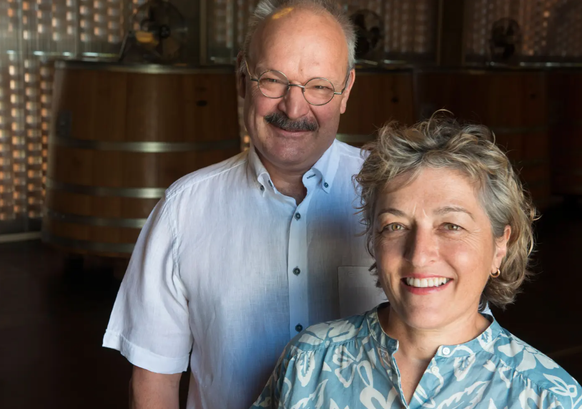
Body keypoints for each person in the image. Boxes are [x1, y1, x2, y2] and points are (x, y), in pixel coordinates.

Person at [103, 1, 382, 408]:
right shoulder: (183, 212)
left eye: (319, 86)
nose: (294, 107)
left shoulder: (394, 197)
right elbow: (153, 382)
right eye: (273, 80)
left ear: (346, 91)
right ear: (242, 77)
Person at [251, 115, 582, 408]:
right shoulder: (309, 362)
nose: (419, 254)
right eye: (395, 226)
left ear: (500, 247)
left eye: (451, 226)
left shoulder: (549, 398)